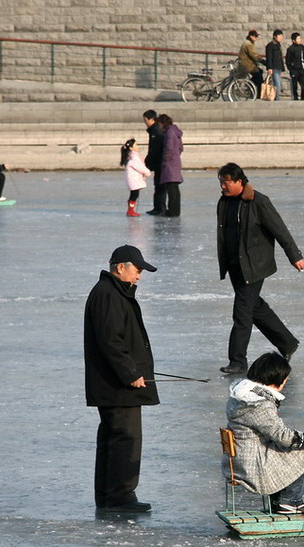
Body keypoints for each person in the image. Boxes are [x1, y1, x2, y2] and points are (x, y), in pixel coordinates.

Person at [84, 245, 160, 513]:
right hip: (117, 386)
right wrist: (131, 374)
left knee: (113, 440)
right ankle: (120, 497)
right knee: (125, 440)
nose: (139, 276)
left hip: (114, 384)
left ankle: (109, 497)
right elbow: (111, 341)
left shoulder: (111, 293)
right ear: (120, 267)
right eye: (137, 270)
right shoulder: (108, 295)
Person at [216, 162, 304, 374]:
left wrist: (294, 255)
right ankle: (287, 342)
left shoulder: (258, 202)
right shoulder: (224, 202)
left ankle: (237, 360)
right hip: (234, 265)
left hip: (254, 266)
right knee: (254, 306)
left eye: (226, 183)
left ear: (239, 181)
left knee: (242, 311)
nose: (222, 187)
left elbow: (279, 229)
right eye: (221, 183)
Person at [224, 352, 304, 514]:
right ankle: (290, 502)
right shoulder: (259, 405)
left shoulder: (241, 397)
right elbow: (284, 438)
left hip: (237, 461)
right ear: (277, 380)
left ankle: (278, 500)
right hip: (253, 466)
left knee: (290, 450)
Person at [156, 114, 183, 217]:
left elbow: (169, 149)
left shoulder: (169, 133)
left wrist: (165, 161)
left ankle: (172, 211)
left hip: (170, 163)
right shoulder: (175, 131)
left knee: (171, 188)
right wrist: (176, 155)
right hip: (175, 161)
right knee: (174, 187)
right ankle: (175, 210)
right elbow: (180, 148)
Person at [142, 110, 166, 215]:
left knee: (160, 186)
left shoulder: (156, 131)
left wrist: (147, 163)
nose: (145, 122)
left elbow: (154, 150)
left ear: (152, 120)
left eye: (145, 120)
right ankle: (157, 207)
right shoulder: (154, 131)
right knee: (157, 185)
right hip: (158, 163)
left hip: (160, 163)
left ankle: (160, 208)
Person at [120, 138, 150, 217]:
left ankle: (130, 210)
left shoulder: (131, 156)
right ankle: (130, 210)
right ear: (131, 148)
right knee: (134, 195)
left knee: (134, 195)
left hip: (134, 179)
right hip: (134, 180)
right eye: (136, 145)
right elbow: (140, 167)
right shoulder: (133, 157)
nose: (137, 146)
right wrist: (147, 172)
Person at [238, 30, 265, 96]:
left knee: (260, 72)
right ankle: (257, 92)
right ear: (251, 36)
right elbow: (254, 55)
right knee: (258, 75)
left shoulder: (249, 43)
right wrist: (263, 61)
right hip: (246, 65)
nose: (256, 38)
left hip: (249, 64)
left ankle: (250, 84)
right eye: (255, 36)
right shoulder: (248, 44)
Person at [285, 32, 304, 101]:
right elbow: (288, 61)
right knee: (294, 85)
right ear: (293, 40)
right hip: (294, 69)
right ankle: (295, 98)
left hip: (301, 69)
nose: (299, 40)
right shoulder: (290, 49)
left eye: (299, 38)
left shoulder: (302, 47)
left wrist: (303, 62)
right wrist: (291, 69)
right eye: (298, 39)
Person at [265, 29, 285, 101]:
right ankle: (277, 99)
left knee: (277, 84)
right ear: (275, 37)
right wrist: (269, 68)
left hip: (279, 67)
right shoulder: (270, 45)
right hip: (274, 67)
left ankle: (275, 97)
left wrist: (282, 69)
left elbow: (281, 57)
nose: (281, 38)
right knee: (277, 84)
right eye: (279, 36)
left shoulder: (278, 45)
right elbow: (269, 57)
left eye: (281, 36)